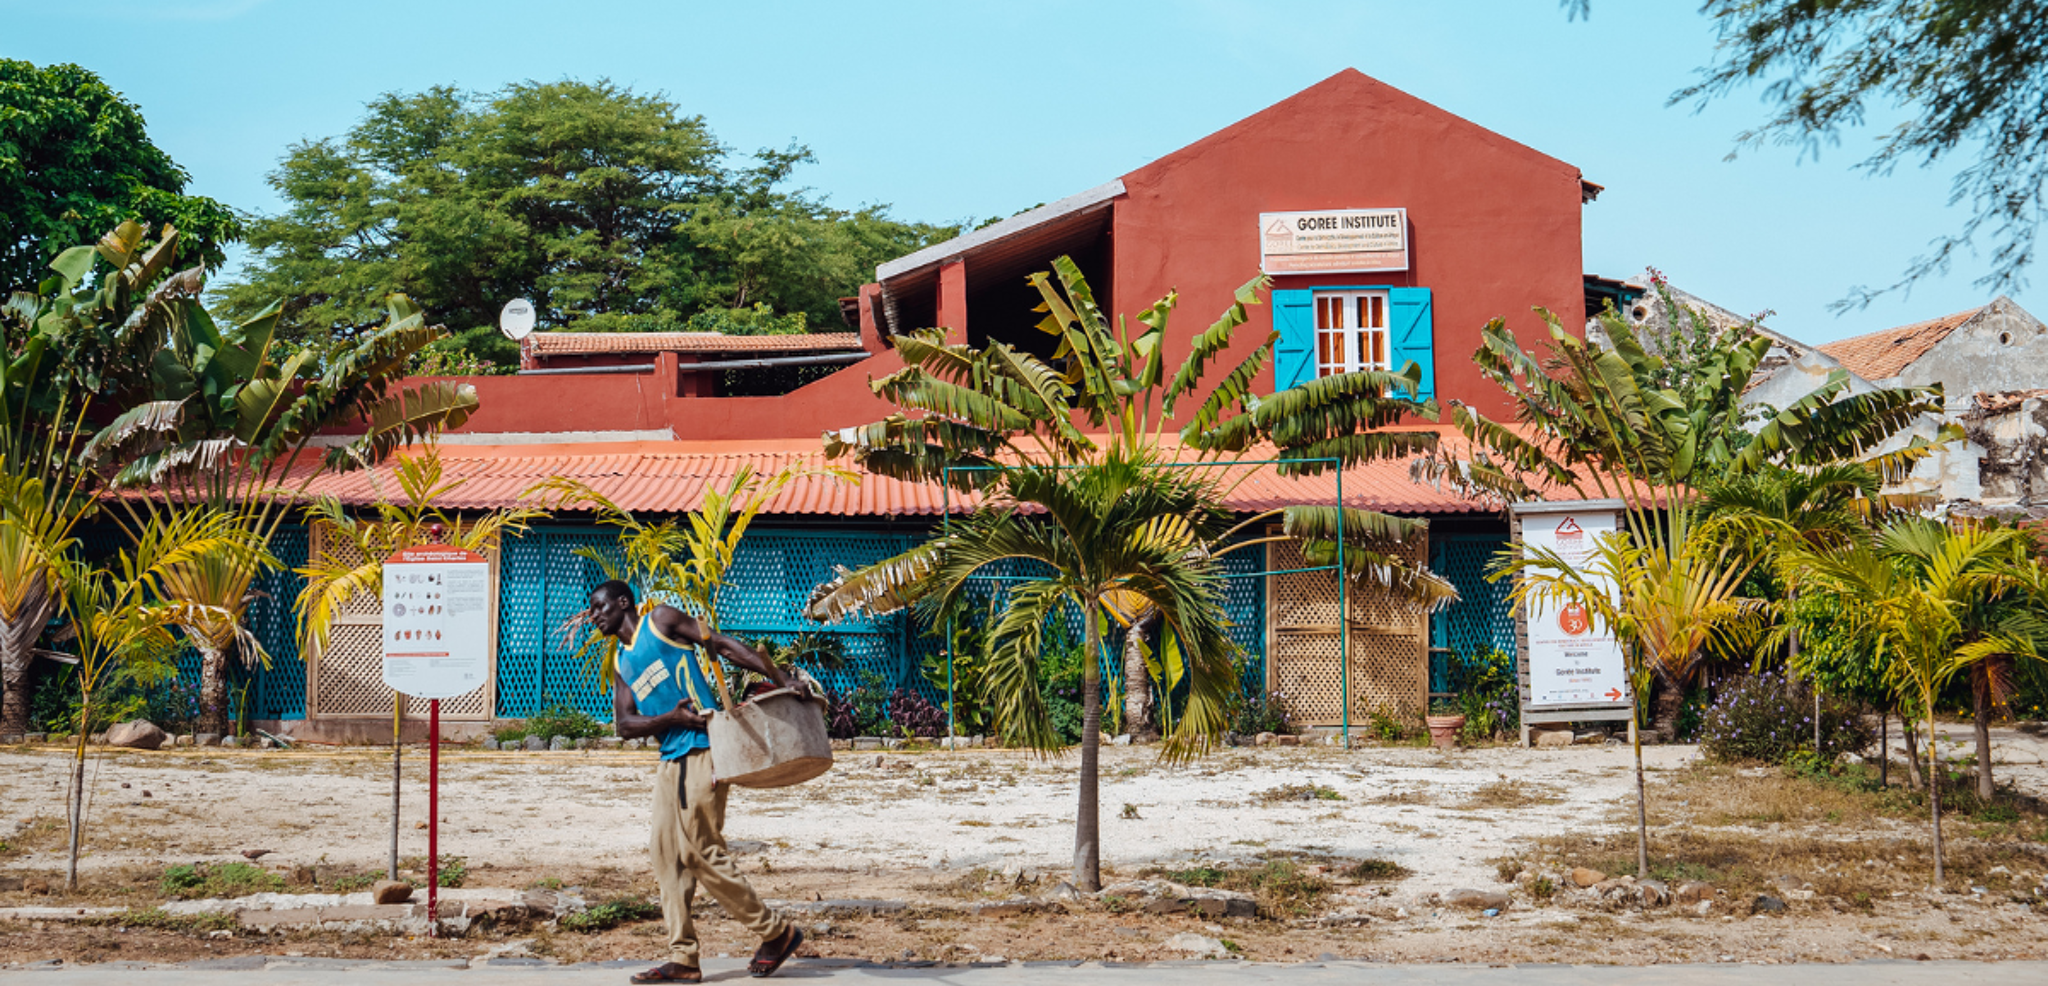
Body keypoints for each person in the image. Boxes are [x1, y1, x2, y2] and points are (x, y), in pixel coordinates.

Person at [585, 580, 806, 984]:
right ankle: (683, 958)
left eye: (599, 607)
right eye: (591, 611)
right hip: (670, 760)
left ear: (623, 602)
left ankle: (776, 933)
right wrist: (669, 719)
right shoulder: (621, 661)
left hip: (705, 747)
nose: (594, 616)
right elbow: (625, 724)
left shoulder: (660, 621)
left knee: (701, 850)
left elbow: (720, 644)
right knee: (666, 855)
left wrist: (780, 677)